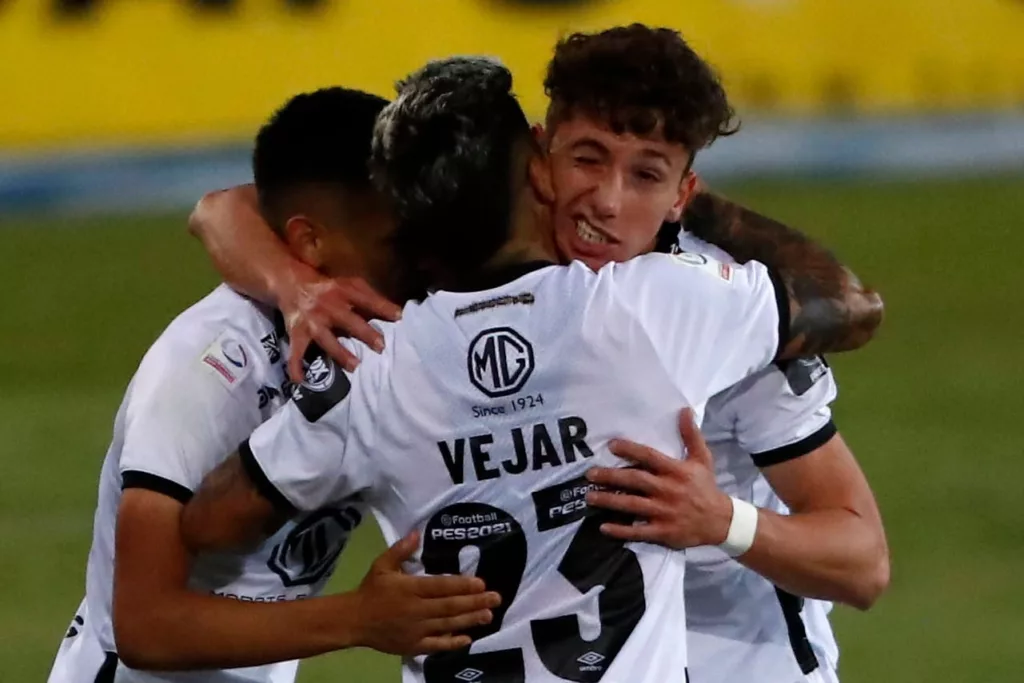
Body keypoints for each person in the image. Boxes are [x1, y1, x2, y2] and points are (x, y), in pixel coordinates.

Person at [188, 25, 888, 682]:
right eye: (588, 159)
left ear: (684, 195)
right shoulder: (520, 276)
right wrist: (296, 287)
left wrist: (722, 522)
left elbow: (862, 563)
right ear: (540, 157)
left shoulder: (707, 304)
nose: (607, 201)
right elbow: (225, 207)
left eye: (647, 176)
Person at [46, 88, 498, 683]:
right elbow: (144, 625)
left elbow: (224, 206)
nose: (425, 265)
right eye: (399, 243)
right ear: (309, 243)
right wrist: (360, 619)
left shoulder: (375, 331)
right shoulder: (210, 369)